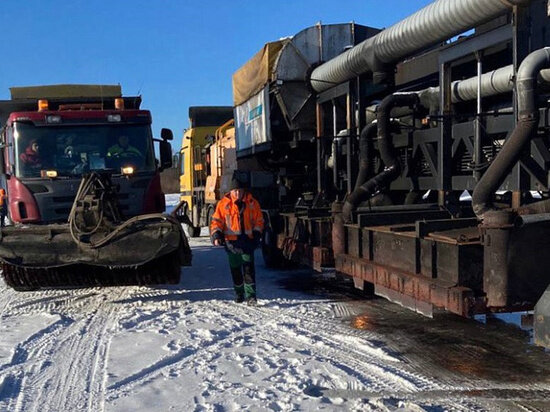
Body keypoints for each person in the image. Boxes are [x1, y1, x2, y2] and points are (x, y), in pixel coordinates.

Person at [210, 174, 264, 305]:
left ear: (244, 191)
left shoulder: (252, 203)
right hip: (231, 243)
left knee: (248, 270)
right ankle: (239, 293)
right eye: (235, 191)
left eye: (240, 190)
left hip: (248, 242)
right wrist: (216, 235)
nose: (238, 193)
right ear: (230, 191)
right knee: (236, 271)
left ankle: (251, 296)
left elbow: (259, 220)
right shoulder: (223, 205)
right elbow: (216, 222)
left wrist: (257, 233)